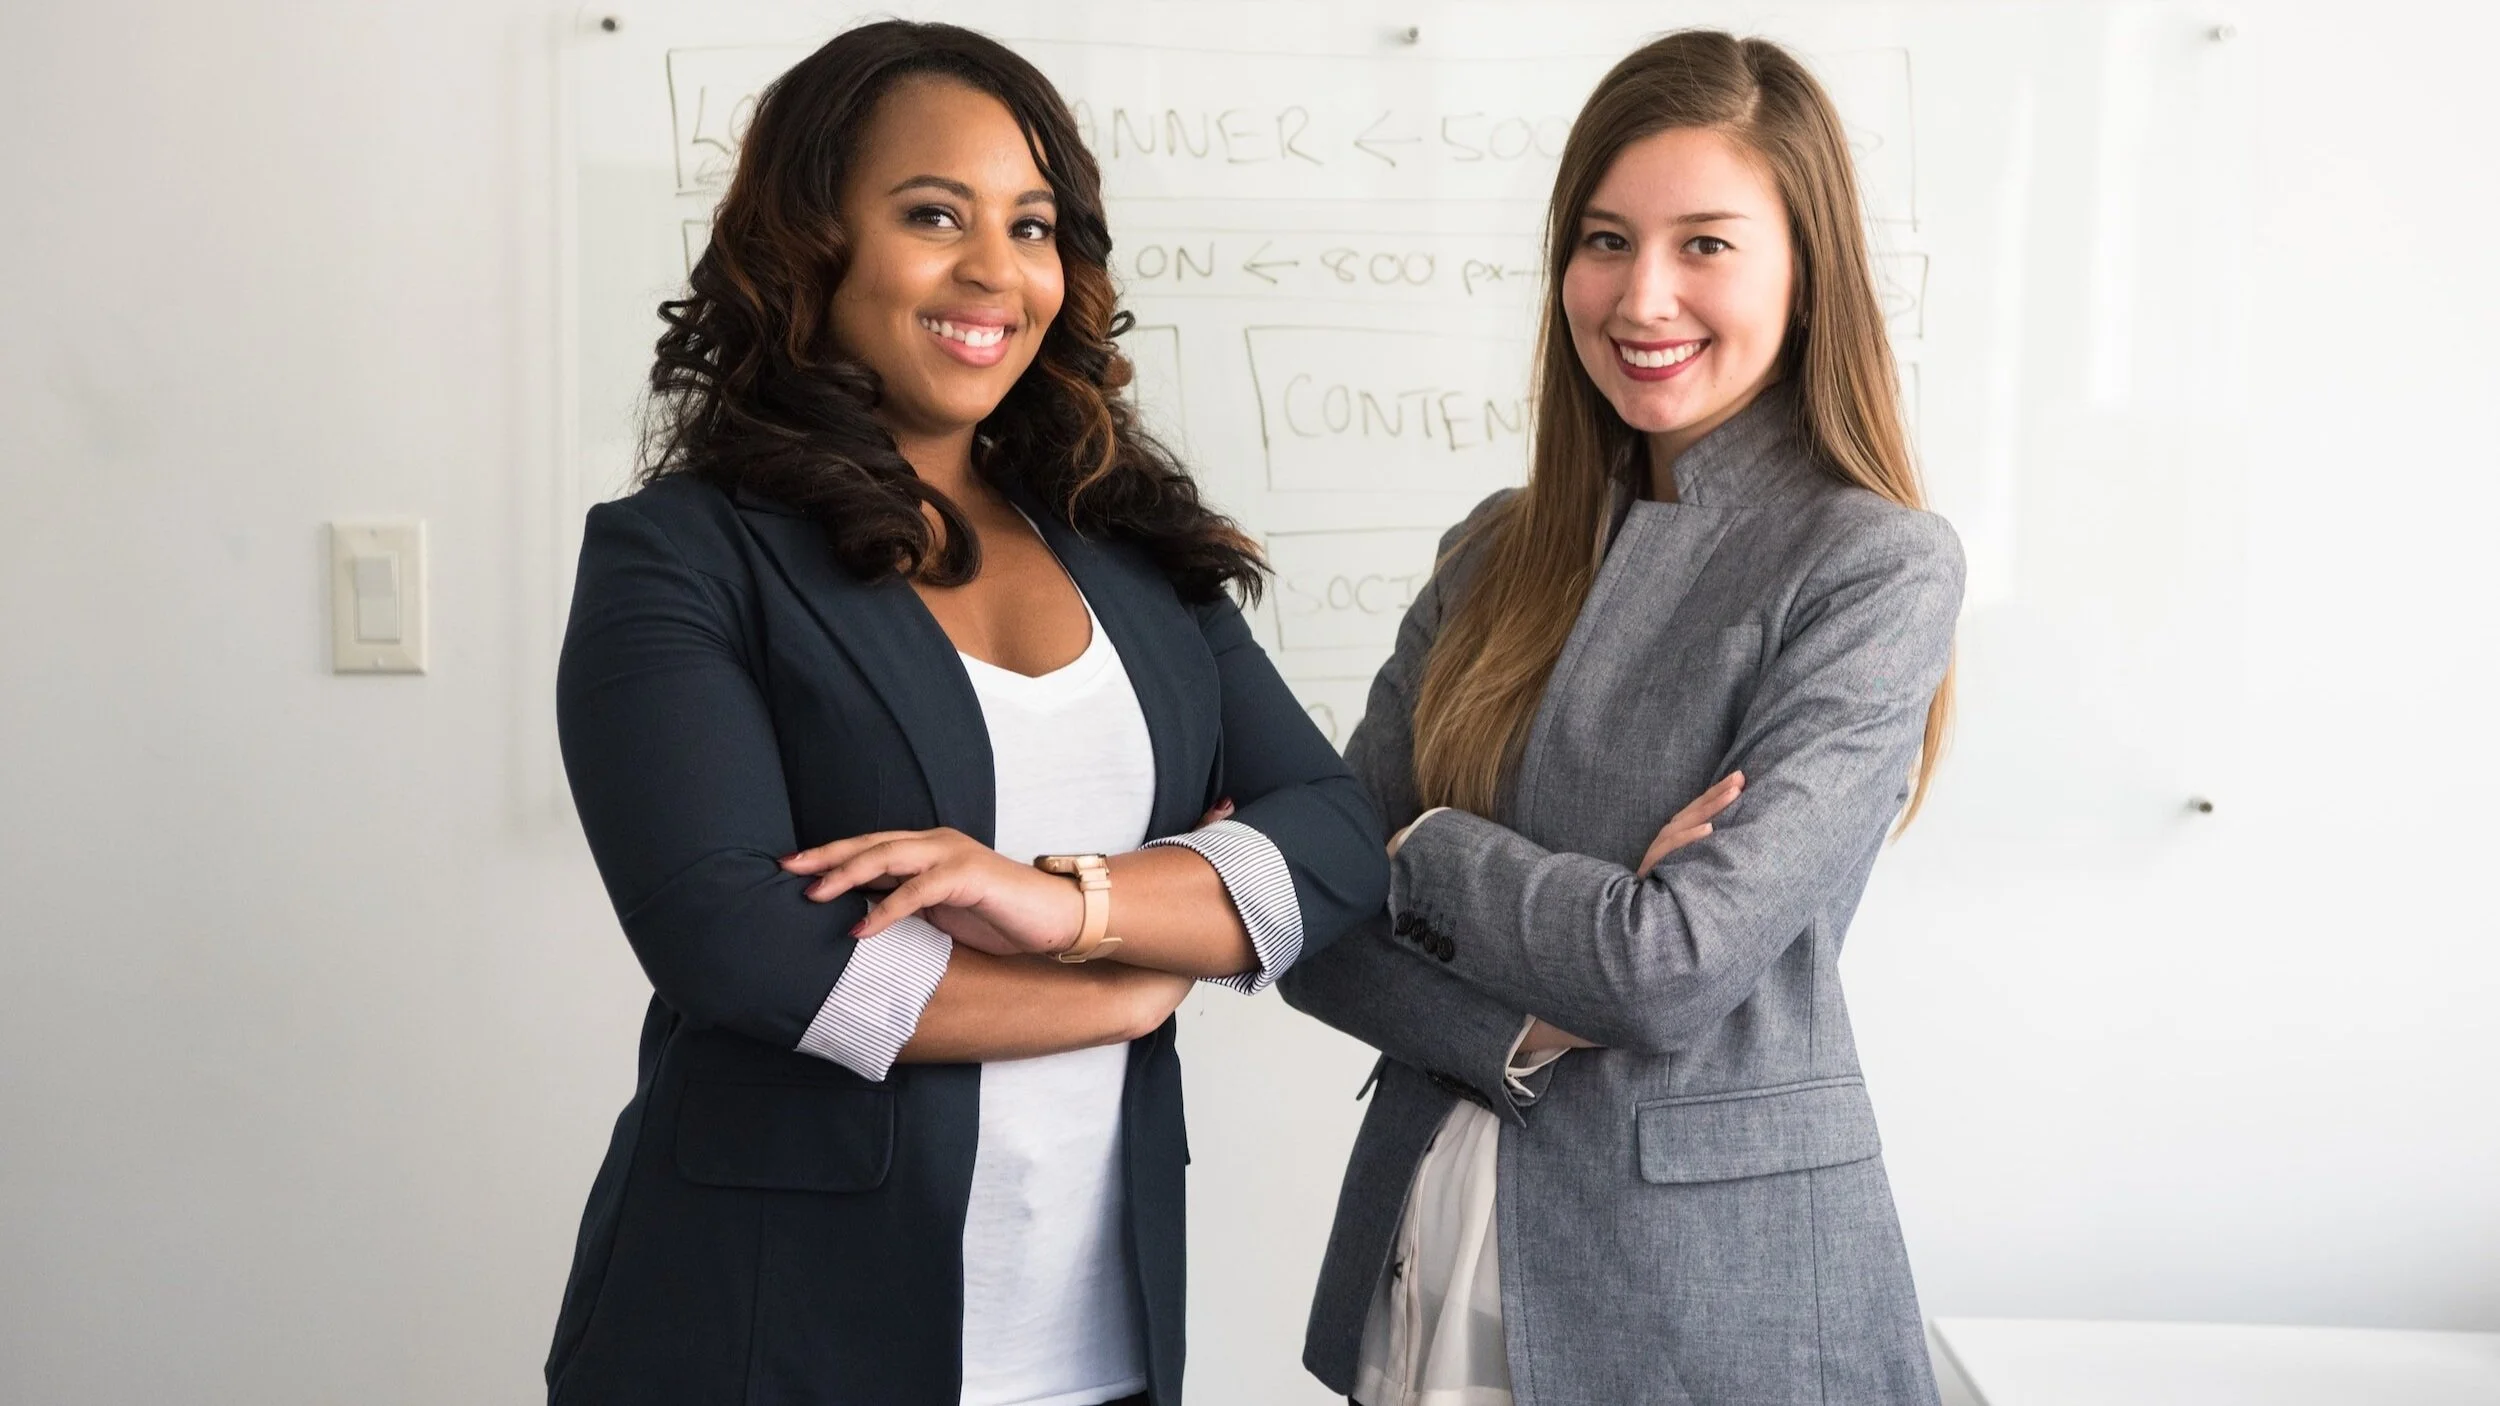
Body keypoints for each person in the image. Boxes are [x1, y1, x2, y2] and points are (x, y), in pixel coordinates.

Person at [543, 21, 1386, 1406]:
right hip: (772, 1339)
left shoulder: (1130, 553)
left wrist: (1070, 906)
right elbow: (740, 944)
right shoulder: (684, 553)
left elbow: (1336, 842)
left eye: (1033, 225)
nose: (997, 270)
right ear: (815, 242)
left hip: (1094, 1347)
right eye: (935, 215)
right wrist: (1124, 992)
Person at [1280, 28, 1963, 1406]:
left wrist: (1419, 841)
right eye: (1605, 240)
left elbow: (1669, 964)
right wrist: (1522, 1024)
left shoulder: (1874, 563)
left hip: (1709, 1289)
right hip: (1432, 1225)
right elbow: (1308, 920)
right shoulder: (1492, 549)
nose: (1643, 294)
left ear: (1803, 264)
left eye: (1705, 242)